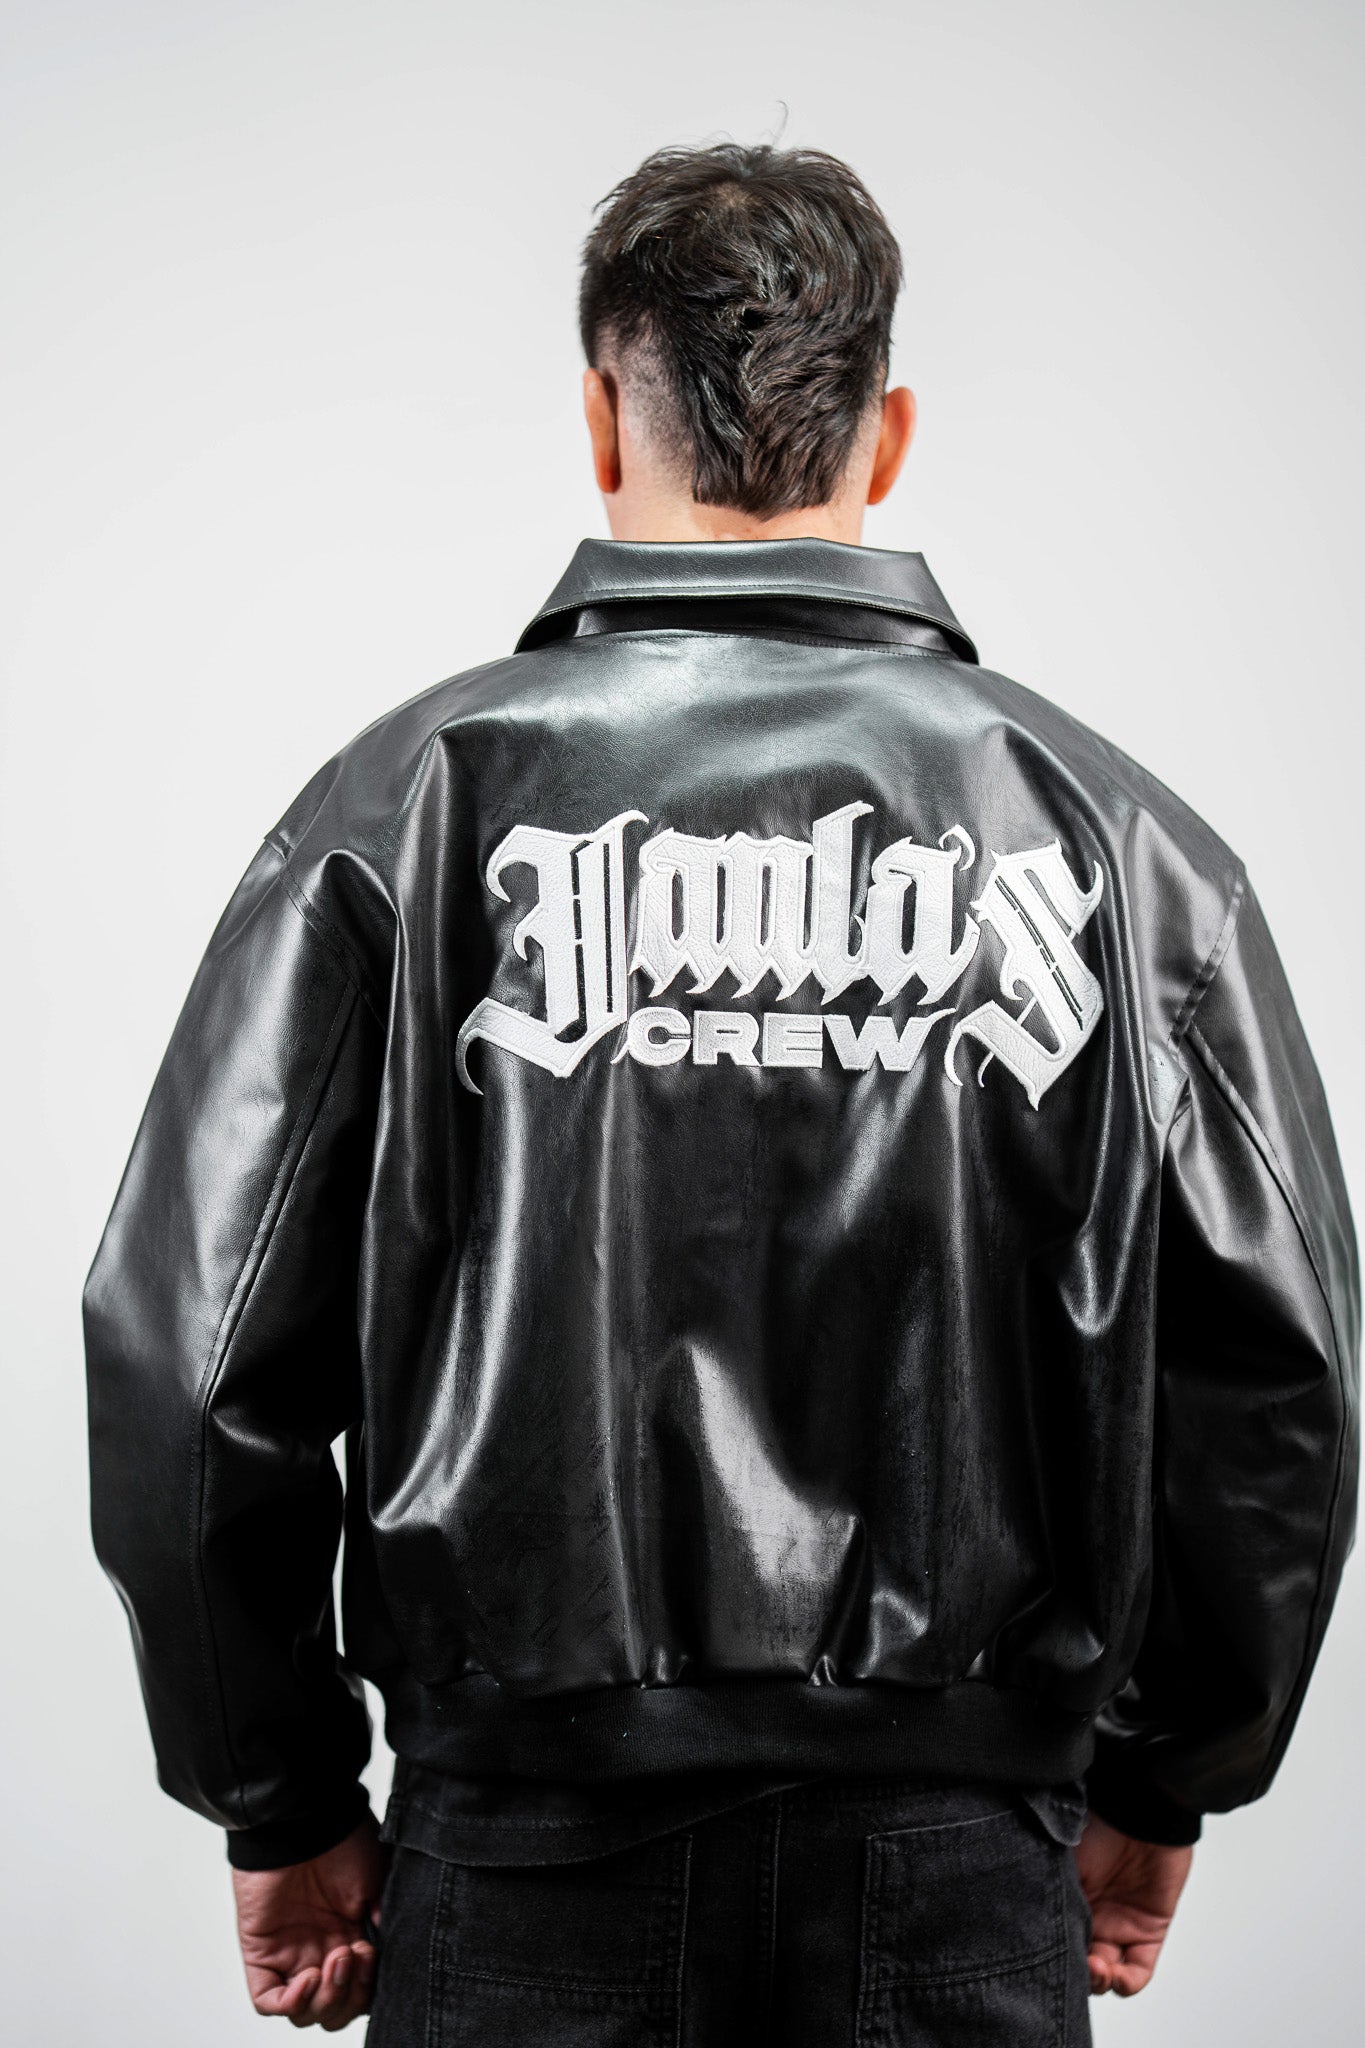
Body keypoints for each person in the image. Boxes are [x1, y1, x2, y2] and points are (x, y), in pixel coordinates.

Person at [85, 143, 1359, 2045]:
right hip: (957, 1862)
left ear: (602, 422)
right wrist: (1170, 1774)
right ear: (888, 437)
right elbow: (1281, 1377)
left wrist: (277, 1797)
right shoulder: (1124, 849)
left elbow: (189, 1354)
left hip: (524, 1854)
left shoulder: (400, 809)